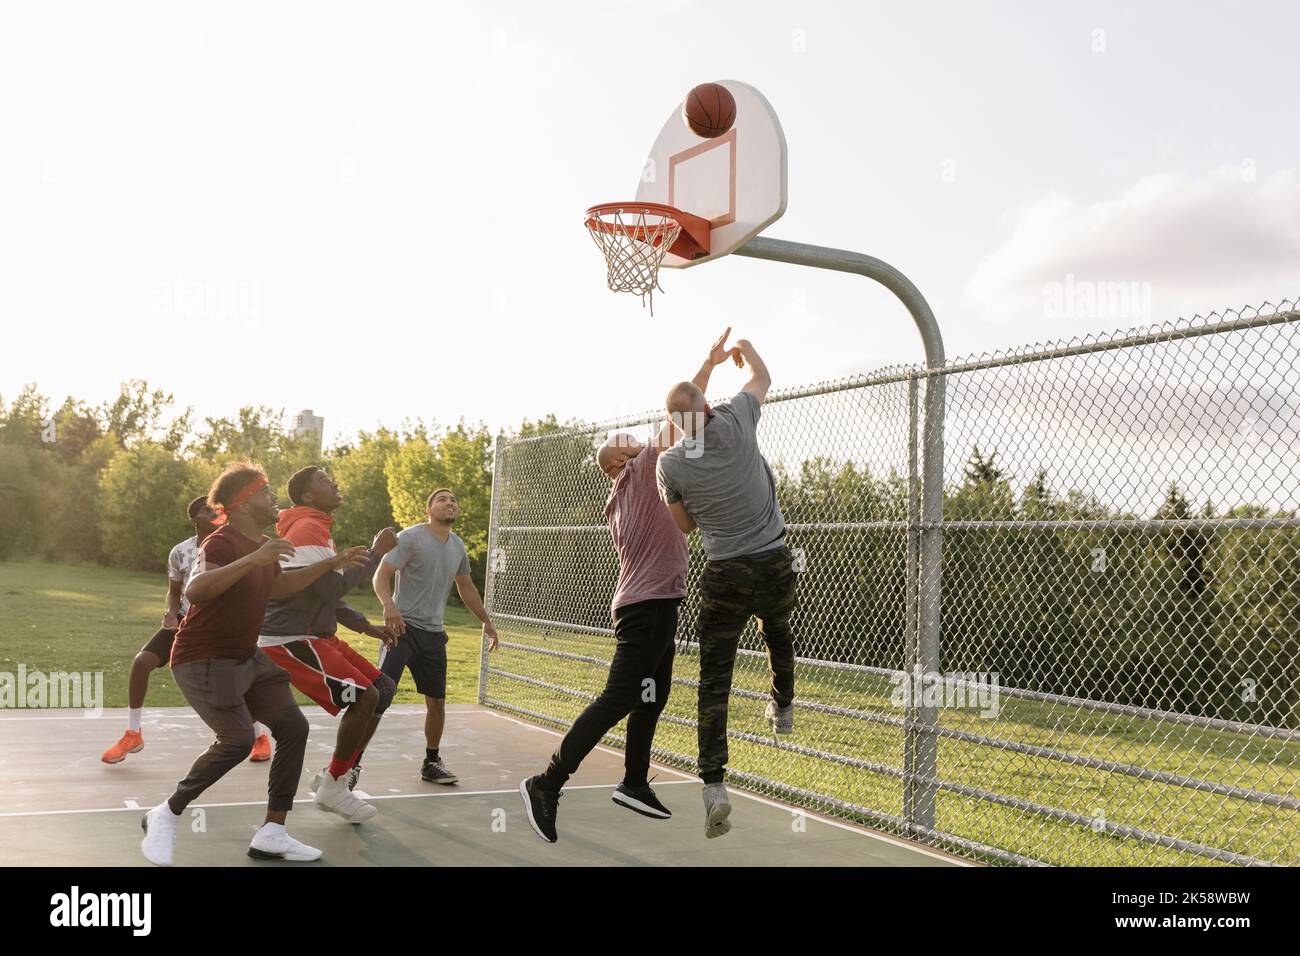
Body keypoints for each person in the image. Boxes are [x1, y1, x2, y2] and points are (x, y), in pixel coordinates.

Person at [521, 333, 722, 840]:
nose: (636, 439)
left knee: (652, 694)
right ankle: (547, 782)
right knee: (619, 698)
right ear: (616, 464)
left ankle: (633, 781)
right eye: (624, 442)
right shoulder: (642, 470)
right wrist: (708, 364)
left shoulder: (624, 492)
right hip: (649, 607)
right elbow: (684, 410)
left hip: (655, 604)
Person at [139, 462, 369, 866]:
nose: (273, 498)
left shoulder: (265, 544)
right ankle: (167, 813)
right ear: (243, 504)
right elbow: (197, 589)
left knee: (293, 727)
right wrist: (253, 559)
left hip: (246, 656)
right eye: (265, 493)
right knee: (239, 740)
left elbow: (279, 586)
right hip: (203, 659)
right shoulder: (221, 542)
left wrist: (329, 565)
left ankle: (272, 831)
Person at [656, 334, 798, 838]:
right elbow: (762, 378)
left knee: (715, 680)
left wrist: (704, 368)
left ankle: (714, 785)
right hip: (775, 559)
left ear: (676, 425)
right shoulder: (738, 418)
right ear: (711, 408)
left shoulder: (670, 464)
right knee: (778, 630)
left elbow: (686, 527)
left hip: (723, 574)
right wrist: (743, 348)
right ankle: (782, 704)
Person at [259, 466, 399, 823]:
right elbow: (333, 588)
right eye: (324, 480)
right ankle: (335, 785)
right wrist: (375, 552)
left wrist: (366, 627)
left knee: (382, 689)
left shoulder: (316, 526)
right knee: (365, 697)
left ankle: (337, 775)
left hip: (315, 633)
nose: (334, 483)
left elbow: (326, 597)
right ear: (306, 496)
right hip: (289, 638)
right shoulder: (307, 529)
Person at [101, 496, 273, 764]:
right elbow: (174, 592)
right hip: (185, 621)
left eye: (217, 508)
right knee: (141, 662)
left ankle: (259, 736)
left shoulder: (233, 543)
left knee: (238, 680)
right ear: (194, 520)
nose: (215, 512)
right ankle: (133, 733)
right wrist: (171, 612)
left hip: (220, 625)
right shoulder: (180, 552)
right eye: (207, 510)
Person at [372, 488, 497, 785]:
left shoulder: (457, 545)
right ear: (429, 509)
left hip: (433, 634)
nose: (449, 502)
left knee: (437, 703)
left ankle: (431, 762)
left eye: (453, 499)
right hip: (402, 630)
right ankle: (351, 766)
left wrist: (486, 621)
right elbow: (382, 573)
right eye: (442, 499)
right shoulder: (411, 537)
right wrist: (389, 605)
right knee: (379, 698)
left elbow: (465, 587)